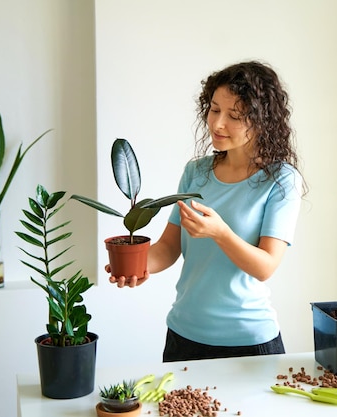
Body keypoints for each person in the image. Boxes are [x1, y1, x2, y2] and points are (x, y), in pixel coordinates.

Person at [108, 61, 307, 362]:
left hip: (249, 343)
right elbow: (168, 248)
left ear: (262, 120)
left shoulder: (281, 179)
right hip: (183, 336)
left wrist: (220, 233)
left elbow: (265, 266)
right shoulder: (196, 172)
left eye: (234, 115)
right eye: (214, 110)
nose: (217, 124)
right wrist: (136, 266)